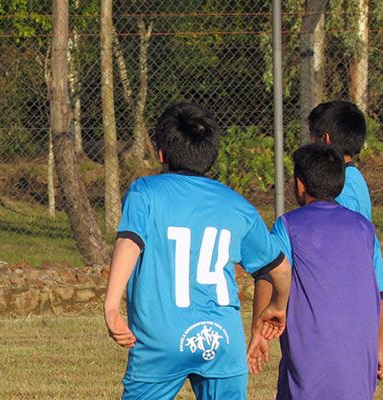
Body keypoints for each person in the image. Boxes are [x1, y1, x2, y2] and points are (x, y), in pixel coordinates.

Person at [103, 102, 293, 400]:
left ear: (161, 153)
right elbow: (280, 269)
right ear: (212, 155)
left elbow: (129, 242)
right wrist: (277, 307)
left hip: (161, 340)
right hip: (222, 340)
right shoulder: (238, 205)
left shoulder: (145, 191)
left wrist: (111, 306)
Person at [249, 100, 383, 380]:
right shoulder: (355, 180)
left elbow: (279, 269)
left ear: (325, 140)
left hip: (325, 325)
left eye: (312, 137)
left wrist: (259, 328)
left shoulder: (341, 193)